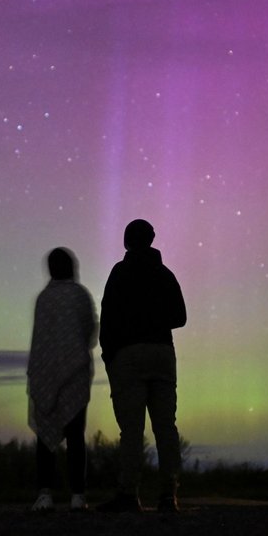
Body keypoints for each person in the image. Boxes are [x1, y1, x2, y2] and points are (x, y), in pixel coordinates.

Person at [97, 219, 186, 513]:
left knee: (131, 430)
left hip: (128, 355)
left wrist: (109, 356)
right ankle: (168, 495)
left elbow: (107, 317)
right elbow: (180, 317)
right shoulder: (164, 274)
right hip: (162, 353)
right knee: (166, 427)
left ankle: (128, 493)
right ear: (151, 240)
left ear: (127, 241)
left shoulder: (120, 273)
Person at [27, 247, 97, 511]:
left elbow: (41, 338)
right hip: (75, 372)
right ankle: (78, 495)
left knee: (45, 437)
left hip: (45, 373)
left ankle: (44, 494)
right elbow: (90, 329)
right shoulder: (80, 295)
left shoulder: (43, 298)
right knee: (76, 433)